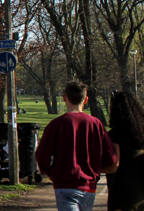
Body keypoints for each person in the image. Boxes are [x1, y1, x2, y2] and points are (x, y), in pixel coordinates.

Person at [35, 82, 118, 211]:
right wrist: (95, 169)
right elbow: (111, 157)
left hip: (64, 183)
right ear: (86, 100)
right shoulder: (96, 124)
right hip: (88, 184)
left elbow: (42, 154)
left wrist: (49, 171)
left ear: (64, 97)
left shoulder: (57, 124)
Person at [106, 90, 144, 211]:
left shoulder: (115, 135)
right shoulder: (141, 133)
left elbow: (114, 166)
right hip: (143, 188)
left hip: (123, 188)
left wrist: (93, 169)